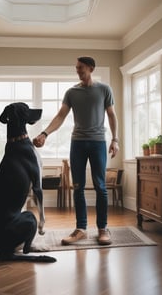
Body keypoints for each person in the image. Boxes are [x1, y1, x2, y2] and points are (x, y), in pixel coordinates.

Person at [33, 56, 119, 245]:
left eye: (81, 67)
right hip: (78, 143)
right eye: (76, 68)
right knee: (78, 187)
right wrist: (45, 134)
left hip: (98, 143)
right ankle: (81, 229)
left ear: (91, 68)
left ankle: (103, 229)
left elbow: (112, 115)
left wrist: (115, 139)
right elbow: (60, 116)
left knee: (100, 186)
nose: (77, 70)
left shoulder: (104, 89)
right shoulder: (71, 92)